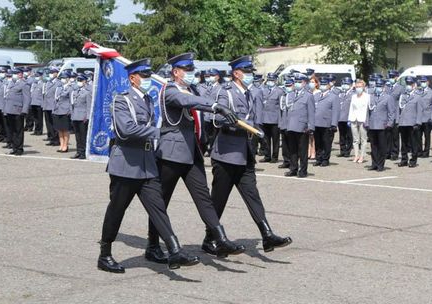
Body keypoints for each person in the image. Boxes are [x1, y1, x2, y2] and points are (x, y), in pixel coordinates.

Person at [99, 59, 200, 273]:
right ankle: (105, 254)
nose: (146, 80)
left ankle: (174, 250)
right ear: (132, 78)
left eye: (148, 75)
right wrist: (158, 133)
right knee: (117, 210)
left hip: (147, 164)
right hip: (126, 164)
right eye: (143, 76)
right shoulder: (121, 100)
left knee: (158, 208)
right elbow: (126, 130)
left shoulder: (147, 100)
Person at [146, 52, 245, 263]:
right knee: (161, 202)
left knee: (204, 198)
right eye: (187, 70)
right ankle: (153, 245)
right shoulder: (170, 90)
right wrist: (216, 106)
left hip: (192, 153)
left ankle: (220, 238)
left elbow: (205, 102)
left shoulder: (192, 88)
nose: (191, 74)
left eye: (192, 70)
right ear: (176, 72)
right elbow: (189, 101)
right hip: (171, 155)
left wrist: (224, 112)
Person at [207, 55, 292, 254]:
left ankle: (267, 235)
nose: (249, 75)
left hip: (245, 154)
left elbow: (252, 119)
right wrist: (233, 120)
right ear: (236, 73)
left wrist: (257, 131)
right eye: (245, 72)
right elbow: (216, 120)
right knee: (218, 200)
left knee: (253, 196)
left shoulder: (250, 93)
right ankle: (210, 238)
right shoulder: (225, 92)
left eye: (250, 71)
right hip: (226, 155)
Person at [284, 73, 315, 178]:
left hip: (302, 127)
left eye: (299, 82)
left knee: (302, 151)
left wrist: (310, 127)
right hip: (291, 126)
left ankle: (303, 170)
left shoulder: (308, 95)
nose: (297, 84)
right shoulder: (291, 94)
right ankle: (293, 169)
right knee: (292, 150)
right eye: (296, 82)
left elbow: (311, 112)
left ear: (304, 83)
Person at [367, 78, 395, 172]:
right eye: (377, 86)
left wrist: (390, 124)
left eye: (379, 86)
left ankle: (380, 164)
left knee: (382, 147)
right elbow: (368, 111)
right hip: (372, 125)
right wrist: (367, 123)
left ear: (383, 87)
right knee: (373, 146)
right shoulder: (371, 97)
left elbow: (391, 112)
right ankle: (374, 163)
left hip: (383, 126)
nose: (377, 88)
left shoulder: (388, 97)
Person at [3, 68, 31, 155]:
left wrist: (24, 110)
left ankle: (19, 149)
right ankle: (14, 147)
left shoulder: (24, 84)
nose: (13, 75)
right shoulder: (12, 83)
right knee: (12, 130)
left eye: (15, 73)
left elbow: (27, 98)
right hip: (10, 110)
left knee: (18, 130)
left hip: (18, 110)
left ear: (20, 74)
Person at [397, 76, 422, 168]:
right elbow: (399, 110)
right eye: (407, 84)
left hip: (412, 123)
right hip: (403, 123)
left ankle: (413, 160)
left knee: (413, 143)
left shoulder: (417, 97)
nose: (408, 86)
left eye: (410, 84)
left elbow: (419, 111)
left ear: (414, 85)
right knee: (403, 143)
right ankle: (404, 159)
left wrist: (418, 123)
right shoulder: (403, 96)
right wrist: (398, 121)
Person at [314, 77, 339, 167]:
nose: (323, 86)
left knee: (326, 143)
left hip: (327, 124)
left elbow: (336, 111)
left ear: (329, 85)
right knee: (318, 142)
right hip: (316, 123)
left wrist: (334, 124)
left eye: (325, 84)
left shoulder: (333, 96)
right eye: (322, 84)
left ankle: (325, 159)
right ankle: (318, 158)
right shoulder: (316, 96)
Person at [259, 72, 283, 163]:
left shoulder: (280, 91)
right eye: (269, 80)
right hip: (265, 118)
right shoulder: (263, 90)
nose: (270, 82)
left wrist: (281, 121)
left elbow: (281, 107)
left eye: (272, 80)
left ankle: (275, 157)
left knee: (275, 140)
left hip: (275, 119)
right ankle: (267, 155)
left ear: (276, 81)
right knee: (266, 139)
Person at [70, 74, 92, 159]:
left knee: (83, 136)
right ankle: (78, 151)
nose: (79, 82)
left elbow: (89, 106)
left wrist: (87, 116)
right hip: (75, 116)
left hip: (83, 117)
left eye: (80, 80)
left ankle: (83, 152)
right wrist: (72, 115)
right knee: (77, 136)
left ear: (85, 81)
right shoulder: (75, 91)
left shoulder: (87, 92)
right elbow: (72, 105)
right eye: (78, 80)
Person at [348, 79, 370, 163]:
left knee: (363, 139)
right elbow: (351, 108)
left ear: (363, 87)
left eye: (360, 87)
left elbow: (368, 109)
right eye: (356, 87)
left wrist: (366, 120)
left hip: (363, 119)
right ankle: (356, 155)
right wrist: (349, 119)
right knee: (355, 139)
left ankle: (362, 156)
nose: (358, 88)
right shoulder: (353, 96)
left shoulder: (367, 96)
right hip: (354, 119)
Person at [52, 71, 73, 153]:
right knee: (59, 130)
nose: (62, 80)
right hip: (58, 111)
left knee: (65, 130)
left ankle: (65, 146)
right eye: (61, 78)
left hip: (66, 111)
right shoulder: (59, 88)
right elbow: (55, 100)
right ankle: (61, 145)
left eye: (64, 78)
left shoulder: (70, 88)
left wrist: (70, 111)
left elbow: (72, 101)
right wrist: (54, 110)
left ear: (68, 78)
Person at [417, 76, 432, 158]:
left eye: (424, 82)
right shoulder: (418, 92)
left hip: (427, 118)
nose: (422, 83)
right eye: (421, 81)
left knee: (427, 136)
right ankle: (419, 151)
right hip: (418, 118)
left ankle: (426, 152)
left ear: (428, 82)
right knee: (418, 136)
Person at [278, 78, 294, 169]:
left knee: (292, 144)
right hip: (284, 123)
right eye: (286, 86)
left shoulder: (294, 95)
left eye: (289, 86)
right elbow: (280, 111)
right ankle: (286, 160)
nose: (288, 87)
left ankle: (293, 161)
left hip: (291, 123)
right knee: (284, 144)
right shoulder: (283, 95)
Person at [44, 67, 62, 146]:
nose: (50, 74)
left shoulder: (58, 83)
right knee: (49, 124)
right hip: (47, 105)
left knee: (55, 124)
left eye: (52, 72)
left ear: (56, 73)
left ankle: (56, 140)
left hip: (54, 106)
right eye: (50, 72)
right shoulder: (48, 82)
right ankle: (52, 138)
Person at [337, 77, 354, 158]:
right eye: (343, 84)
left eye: (346, 84)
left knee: (349, 135)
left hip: (348, 118)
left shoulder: (353, 94)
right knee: (342, 135)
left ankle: (348, 150)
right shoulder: (341, 94)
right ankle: (342, 150)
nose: (345, 85)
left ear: (350, 85)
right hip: (340, 118)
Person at [307, 75, 320, 160]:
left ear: (316, 84)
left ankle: (313, 152)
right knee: (308, 136)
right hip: (307, 116)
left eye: (313, 82)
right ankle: (308, 151)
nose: (311, 84)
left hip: (315, 116)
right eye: (310, 82)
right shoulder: (308, 92)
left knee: (313, 136)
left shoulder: (318, 93)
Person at [30, 70, 45, 136]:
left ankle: (39, 130)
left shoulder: (42, 84)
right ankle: (36, 130)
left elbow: (43, 95)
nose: (36, 77)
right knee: (35, 118)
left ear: (41, 76)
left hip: (39, 104)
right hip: (33, 103)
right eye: (35, 76)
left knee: (39, 118)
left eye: (38, 76)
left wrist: (43, 105)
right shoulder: (33, 84)